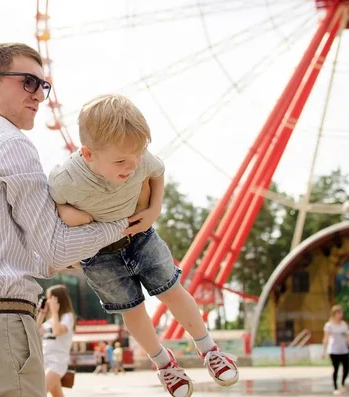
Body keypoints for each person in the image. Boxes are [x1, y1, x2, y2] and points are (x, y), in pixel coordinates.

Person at [0, 43, 128, 397]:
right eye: (28, 82)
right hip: (1, 329)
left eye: (44, 85)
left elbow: (29, 256)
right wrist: (121, 225)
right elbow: (53, 249)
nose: (39, 94)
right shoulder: (11, 144)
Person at [48, 93, 239, 397]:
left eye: (137, 155)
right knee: (132, 310)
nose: (132, 166)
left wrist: (154, 210)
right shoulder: (66, 178)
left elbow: (157, 171)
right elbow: (53, 204)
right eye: (121, 161)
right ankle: (165, 365)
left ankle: (210, 350)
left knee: (172, 291)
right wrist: (74, 216)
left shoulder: (139, 159)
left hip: (141, 236)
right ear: (87, 154)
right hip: (100, 257)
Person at [37, 285, 76, 397]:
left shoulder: (67, 317)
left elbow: (57, 332)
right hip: (45, 362)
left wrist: (54, 312)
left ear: (57, 300)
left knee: (39, 393)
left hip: (57, 363)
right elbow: (34, 332)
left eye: (49, 298)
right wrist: (42, 313)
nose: (48, 301)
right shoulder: (50, 321)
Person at [322, 305, 349, 395]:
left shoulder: (343, 325)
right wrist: (324, 351)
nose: (340, 315)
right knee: (336, 368)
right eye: (338, 313)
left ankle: (342, 383)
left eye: (341, 313)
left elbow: (348, 338)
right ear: (334, 314)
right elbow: (325, 338)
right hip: (334, 350)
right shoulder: (329, 325)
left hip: (344, 350)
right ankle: (335, 387)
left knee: (346, 368)